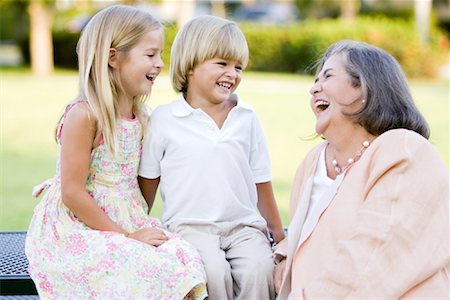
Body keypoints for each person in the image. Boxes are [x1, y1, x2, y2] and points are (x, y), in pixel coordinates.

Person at [25, 5, 207, 299]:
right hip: (76, 227)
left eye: (160, 54)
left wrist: (137, 228)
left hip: (125, 219)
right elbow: (72, 193)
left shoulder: (141, 117)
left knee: (183, 257)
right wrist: (127, 236)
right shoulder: (85, 115)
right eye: (150, 55)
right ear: (113, 58)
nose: (160, 63)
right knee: (139, 264)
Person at [273, 39, 449, 299]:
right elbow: (317, 231)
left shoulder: (403, 149)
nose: (314, 89)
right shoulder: (313, 163)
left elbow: (375, 255)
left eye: (328, 76)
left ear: (364, 88)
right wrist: (284, 256)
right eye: (315, 80)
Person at [138, 15, 285, 300]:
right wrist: (134, 231)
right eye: (222, 64)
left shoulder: (247, 117)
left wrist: (278, 235)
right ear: (191, 64)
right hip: (189, 227)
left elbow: (261, 180)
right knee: (212, 272)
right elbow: (147, 183)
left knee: (259, 270)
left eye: (238, 66)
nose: (233, 73)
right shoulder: (164, 120)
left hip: (244, 227)